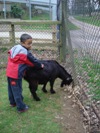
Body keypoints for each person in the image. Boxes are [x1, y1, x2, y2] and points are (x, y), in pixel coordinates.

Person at [6, 33, 44, 113]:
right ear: (22, 43)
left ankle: (13, 103)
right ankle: (21, 107)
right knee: (17, 90)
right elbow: (33, 61)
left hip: (9, 72)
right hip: (16, 74)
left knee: (11, 88)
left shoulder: (15, 47)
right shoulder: (25, 53)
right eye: (28, 44)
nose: (30, 45)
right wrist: (40, 65)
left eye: (31, 43)